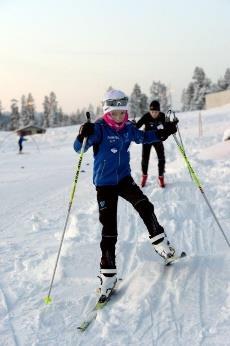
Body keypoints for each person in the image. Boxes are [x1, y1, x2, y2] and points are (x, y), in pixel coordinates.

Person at [73, 90, 178, 301]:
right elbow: (79, 149)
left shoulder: (129, 127)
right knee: (109, 229)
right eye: (116, 113)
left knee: (145, 206)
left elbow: (143, 137)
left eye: (123, 112)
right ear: (107, 112)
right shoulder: (99, 129)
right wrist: (82, 133)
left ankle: (162, 245)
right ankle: (108, 275)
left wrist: (163, 132)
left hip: (123, 179)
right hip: (105, 184)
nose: (120, 117)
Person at [136, 100, 167, 188]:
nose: (154, 114)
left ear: (159, 111)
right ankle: (144, 176)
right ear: (150, 111)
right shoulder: (146, 116)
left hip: (158, 140)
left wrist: (171, 125)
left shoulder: (162, 116)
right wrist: (134, 124)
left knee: (161, 158)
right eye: (152, 112)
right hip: (147, 140)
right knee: (145, 159)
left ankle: (161, 177)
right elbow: (137, 125)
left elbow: (167, 127)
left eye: (156, 112)